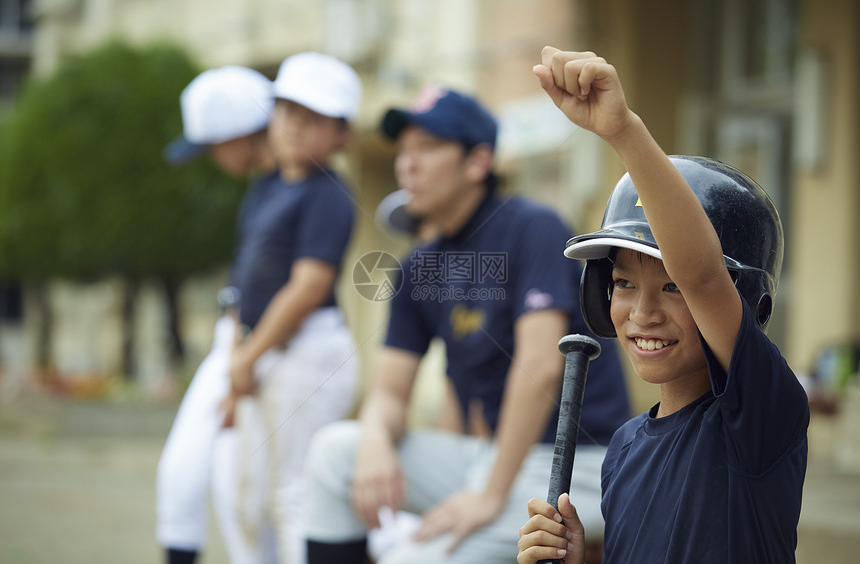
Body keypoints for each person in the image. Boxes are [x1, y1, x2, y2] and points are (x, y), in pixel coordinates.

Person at [303, 86, 631, 563]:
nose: (407, 164)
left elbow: (541, 367)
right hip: (495, 458)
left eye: (428, 148)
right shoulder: (420, 265)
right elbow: (390, 392)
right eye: (404, 150)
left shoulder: (532, 227)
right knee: (336, 451)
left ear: (478, 162)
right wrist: (374, 438)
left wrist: (489, 495)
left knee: (406, 561)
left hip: (577, 466)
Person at [517, 48, 809, 563]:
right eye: (625, 284)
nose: (642, 312)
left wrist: (623, 131)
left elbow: (702, 272)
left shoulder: (759, 415)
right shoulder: (624, 448)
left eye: (671, 288)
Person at [227, 51, 362, 564]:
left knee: (292, 495)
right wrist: (240, 352)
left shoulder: (328, 192)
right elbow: (244, 276)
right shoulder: (266, 186)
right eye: (286, 112)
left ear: (341, 133)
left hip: (307, 351)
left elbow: (307, 287)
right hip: (263, 351)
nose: (293, 127)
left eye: (312, 119)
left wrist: (247, 357)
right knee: (251, 496)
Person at [156, 66, 279, 564]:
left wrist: (238, 369)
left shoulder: (288, 186)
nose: (213, 158)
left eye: (214, 145)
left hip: (260, 351)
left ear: (240, 133)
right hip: (233, 340)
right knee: (179, 475)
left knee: (242, 498)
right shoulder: (259, 191)